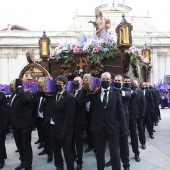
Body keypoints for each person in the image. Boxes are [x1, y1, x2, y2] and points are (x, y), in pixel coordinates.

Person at [81, 72, 128, 170]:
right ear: (100, 80)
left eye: (107, 79)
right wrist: (85, 88)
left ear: (110, 81)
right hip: (98, 129)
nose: (105, 81)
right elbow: (81, 102)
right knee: (99, 154)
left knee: (115, 154)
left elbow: (121, 112)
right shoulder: (95, 93)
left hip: (113, 128)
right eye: (103, 79)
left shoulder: (115, 93)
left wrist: (124, 129)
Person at [42, 75, 75, 170]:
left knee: (67, 152)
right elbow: (41, 92)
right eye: (56, 83)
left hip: (64, 130)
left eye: (60, 83)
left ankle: (70, 167)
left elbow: (69, 118)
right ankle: (59, 166)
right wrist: (46, 82)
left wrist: (64, 132)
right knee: (56, 150)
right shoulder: (52, 95)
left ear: (65, 85)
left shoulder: (69, 97)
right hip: (52, 128)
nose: (57, 85)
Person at [8, 79, 35, 170]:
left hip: (25, 125)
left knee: (26, 145)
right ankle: (23, 162)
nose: (11, 86)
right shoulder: (13, 96)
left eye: (13, 85)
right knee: (19, 145)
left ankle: (28, 166)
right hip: (15, 126)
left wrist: (20, 88)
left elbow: (25, 100)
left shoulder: (27, 94)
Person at [106, 74, 130, 170]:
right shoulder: (110, 91)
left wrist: (119, 92)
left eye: (119, 81)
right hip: (113, 120)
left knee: (124, 142)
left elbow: (128, 94)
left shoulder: (126, 90)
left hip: (124, 119)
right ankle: (113, 160)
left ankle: (126, 164)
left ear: (122, 82)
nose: (117, 82)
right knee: (113, 143)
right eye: (115, 80)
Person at [71, 76, 86, 170]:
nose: (75, 82)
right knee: (70, 140)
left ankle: (79, 161)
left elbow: (81, 103)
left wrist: (73, 97)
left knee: (79, 142)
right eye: (74, 81)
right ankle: (73, 155)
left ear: (81, 83)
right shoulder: (71, 91)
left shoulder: (84, 91)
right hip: (70, 120)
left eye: (77, 81)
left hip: (79, 121)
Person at [0, 91, 8, 169]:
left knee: (0, 142)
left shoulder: (2, 95)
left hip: (2, 122)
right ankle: (4, 154)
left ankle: (1, 160)